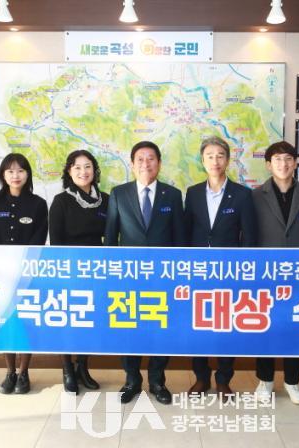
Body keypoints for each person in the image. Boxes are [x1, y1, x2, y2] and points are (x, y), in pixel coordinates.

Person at [104, 140, 186, 405]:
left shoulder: (172, 195)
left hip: (163, 278)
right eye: (140, 159)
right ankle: (132, 380)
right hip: (128, 277)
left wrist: (178, 275)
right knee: (129, 328)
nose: (145, 163)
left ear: (159, 164)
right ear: (132, 164)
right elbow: (110, 237)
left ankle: (157, 381)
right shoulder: (119, 193)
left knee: (161, 329)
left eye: (151, 158)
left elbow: (180, 240)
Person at [184, 136, 257, 401]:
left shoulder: (242, 194)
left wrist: (244, 271)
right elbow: (186, 233)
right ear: (202, 160)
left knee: (227, 327)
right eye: (209, 156)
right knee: (198, 326)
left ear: (228, 159)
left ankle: (224, 379)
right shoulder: (192, 193)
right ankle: (201, 377)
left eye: (220, 155)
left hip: (230, 273)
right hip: (198, 272)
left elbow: (249, 237)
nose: (215, 161)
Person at [252, 141, 299, 405]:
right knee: (265, 327)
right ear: (268, 165)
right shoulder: (255, 196)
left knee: (295, 327)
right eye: (277, 159)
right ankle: (265, 380)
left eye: (288, 159)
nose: (283, 164)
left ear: (295, 163)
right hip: (264, 275)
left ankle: (292, 381)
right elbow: (248, 237)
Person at [0, 153, 47, 394]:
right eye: (10, 171)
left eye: (20, 170)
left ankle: (24, 372)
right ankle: (10, 372)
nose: (15, 175)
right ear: (3, 175)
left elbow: (39, 238)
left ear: (27, 174)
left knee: (25, 321)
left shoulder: (38, 204)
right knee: (5, 321)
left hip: (27, 273)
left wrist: (22, 263)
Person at [49, 150, 109, 395]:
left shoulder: (105, 200)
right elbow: (56, 242)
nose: (83, 172)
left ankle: (83, 367)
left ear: (94, 170)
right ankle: (67, 369)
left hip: (96, 271)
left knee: (88, 321)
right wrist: (68, 269)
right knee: (68, 320)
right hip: (70, 271)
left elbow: (110, 237)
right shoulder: (61, 201)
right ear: (69, 171)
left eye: (87, 166)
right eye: (77, 167)